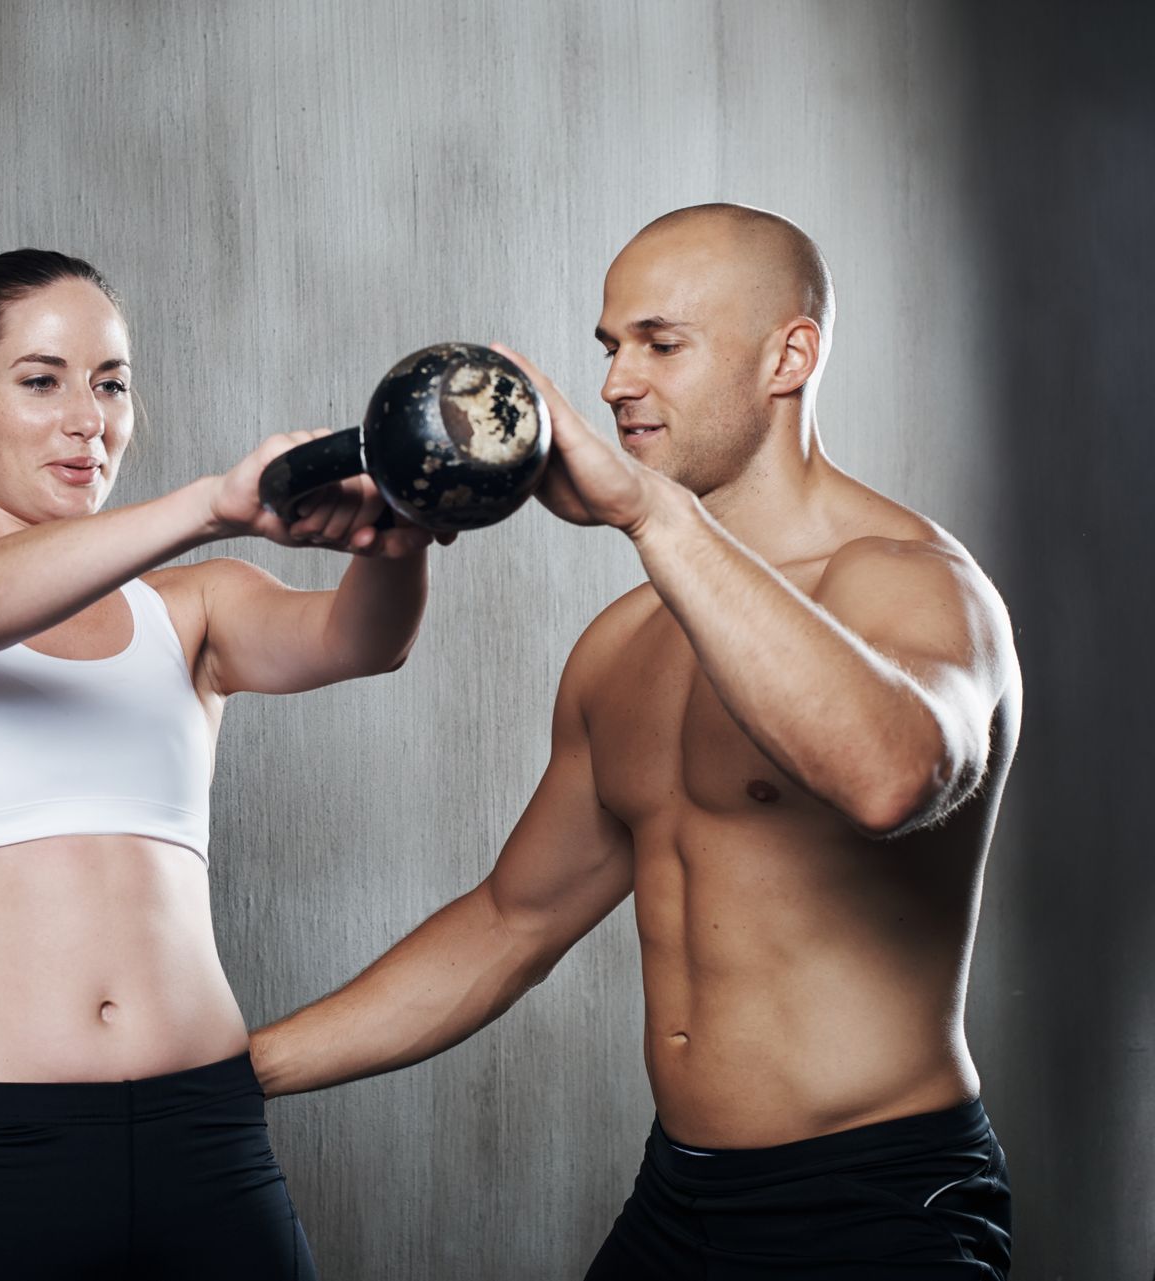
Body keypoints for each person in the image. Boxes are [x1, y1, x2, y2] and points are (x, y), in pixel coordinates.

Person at [250, 205, 1020, 1278]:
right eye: (610, 347)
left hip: (875, 1204)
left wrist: (653, 519)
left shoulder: (911, 583)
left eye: (661, 344)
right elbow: (509, 923)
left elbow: (892, 776)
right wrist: (236, 1075)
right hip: (680, 1199)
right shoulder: (625, 647)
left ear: (788, 356)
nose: (615, 385)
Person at [0, 248, 440, 1280]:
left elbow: (366, 643)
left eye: (111, 383)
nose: (88, 419)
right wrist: (209, 504)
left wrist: (395, 532)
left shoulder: (190, 608)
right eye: (41, 380)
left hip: (206, 1139)